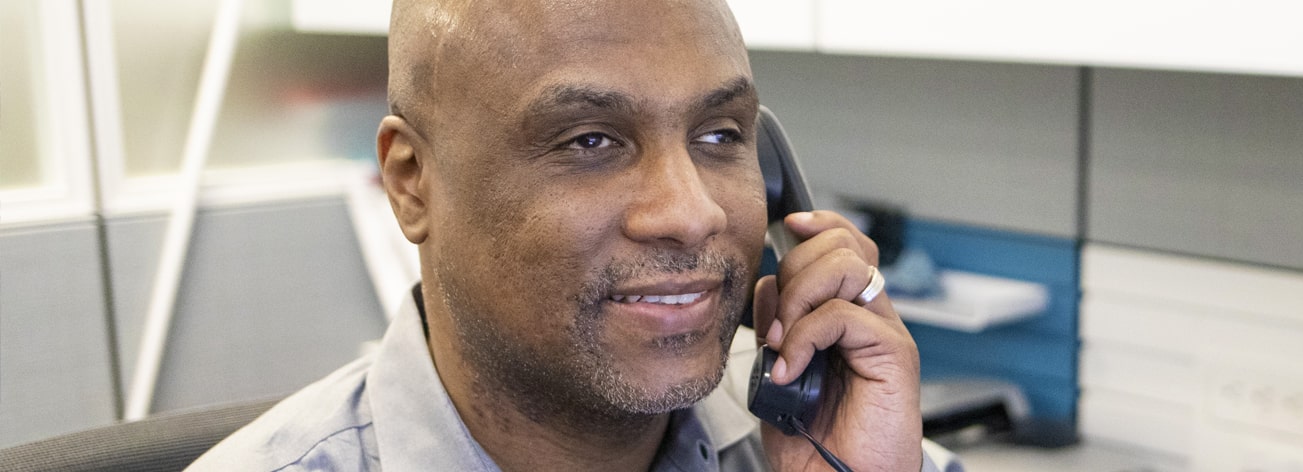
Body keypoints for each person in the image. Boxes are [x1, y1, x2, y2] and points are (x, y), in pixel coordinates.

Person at [190, 0, 955, 470]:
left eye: (720, 134)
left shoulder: (833, 447)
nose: (692, 214)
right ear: (412, 181)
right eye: (590, 141)